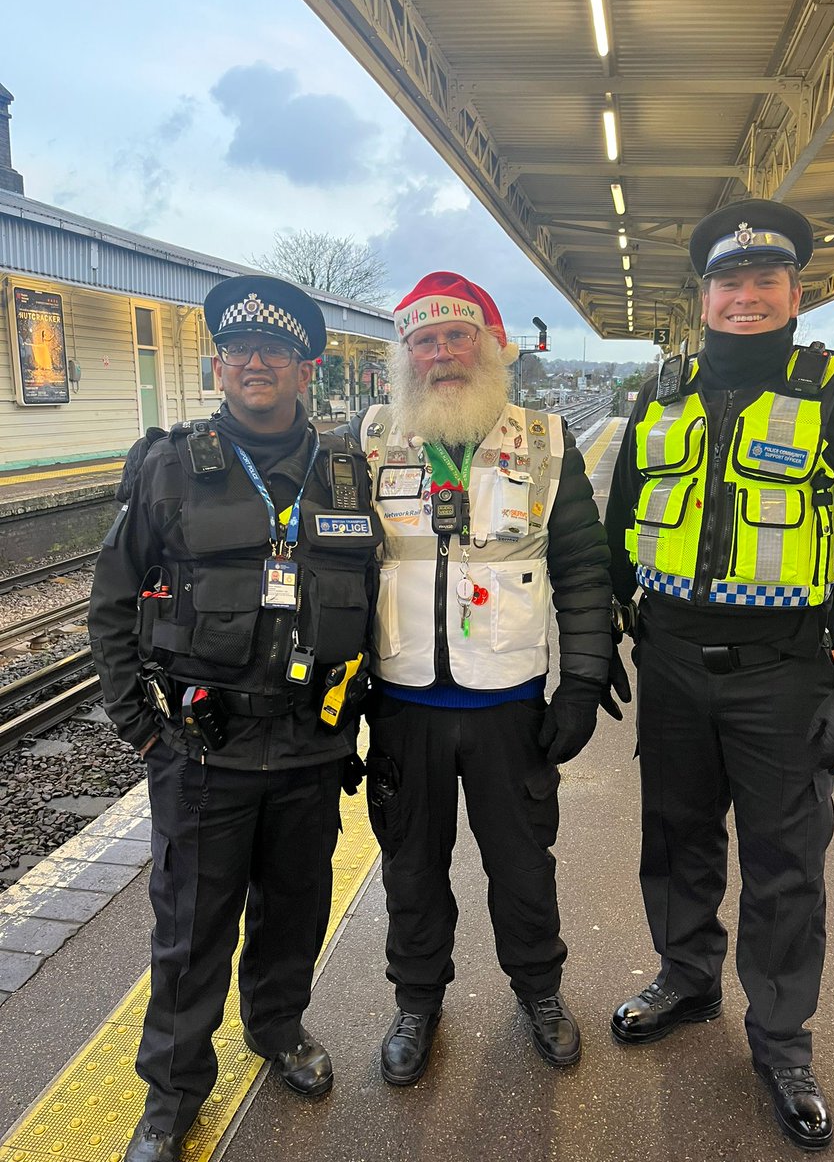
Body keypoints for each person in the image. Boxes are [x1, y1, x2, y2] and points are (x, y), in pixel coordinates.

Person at [604, 199, 834, 1151]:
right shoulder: (663, 390)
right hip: (674, 665)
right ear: (704, 297)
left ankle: (781, 1042)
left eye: (764, 281)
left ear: (794, 294)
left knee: (784, 866)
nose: (745, 296)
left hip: (785, 674)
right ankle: (687, 979)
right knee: (677, 834)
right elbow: (618, 528)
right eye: (728, 282)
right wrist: (598, 645)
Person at [88, 275, 379, 1162]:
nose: (257, 364)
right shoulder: (168, 464)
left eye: (277, 353)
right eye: (241, 352)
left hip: (308, 746)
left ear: (306, 369)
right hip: (200, 751)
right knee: (190, 930)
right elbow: (111, 603)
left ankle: (277, 1028)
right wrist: (139, 723)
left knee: (295, 908)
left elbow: (377, 601)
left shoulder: (344, 471)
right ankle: (172, 1096)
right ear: (220, 366)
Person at [348, 270, 629, 1085]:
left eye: (456, 336)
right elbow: (336, 567)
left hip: (512, 705)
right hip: (402, 707)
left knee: (522, 864)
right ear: (406, 357)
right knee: (410, 867)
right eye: (423, 342)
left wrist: (581, 681)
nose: (441, 355)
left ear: (491, 346)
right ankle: (417, 1001)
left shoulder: (545, 441)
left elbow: (582, 567)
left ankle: (539, 991)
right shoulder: (368, 440)